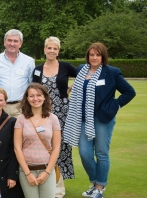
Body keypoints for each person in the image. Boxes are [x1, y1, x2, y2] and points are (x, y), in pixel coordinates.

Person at [63, 42, 136, 198]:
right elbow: (81, 86)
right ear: (87, 56)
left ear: (103, 56)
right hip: (83, 118)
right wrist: (72, 88)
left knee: (102, 153)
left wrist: (115, 105)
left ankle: (99, 187)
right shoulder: (82, 69)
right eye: (91, 54)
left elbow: (129, 92)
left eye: (98, 55)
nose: (94, 57)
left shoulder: (112, 72)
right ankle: (95, 182)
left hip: (103, 119)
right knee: (84, 153)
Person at [32, 36, 77, 197]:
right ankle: (44, 183)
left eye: (55, 48)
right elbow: (33, 89)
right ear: (44, 49)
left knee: (61, 147)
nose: (52, 51)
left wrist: (71, 88)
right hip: (43, 113)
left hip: (63, 113)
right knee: (45, 145)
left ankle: (58, 189)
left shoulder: (65, 66)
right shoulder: (37, 69)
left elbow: (84, 76)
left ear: (58, 51)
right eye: (49, 48)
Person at [14, 83, 61, 198]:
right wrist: (28, 173)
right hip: (27, 171)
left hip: (47, 169)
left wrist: (47, 173)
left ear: (44, 97)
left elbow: (56, 148)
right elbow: (17, 148)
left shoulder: (53, 119)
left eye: (39, 95)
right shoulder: (21, 119)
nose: (35, 99)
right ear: (27, 98)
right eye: (31, 96)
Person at [0, 29, 35, 117]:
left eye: (15, 41)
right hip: (0, 107)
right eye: (9, 40)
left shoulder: (29, 61)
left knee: (21, 131)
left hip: (21, 107)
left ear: (21, 43)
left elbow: (32, 84)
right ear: (4, 42)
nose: (12, 44)